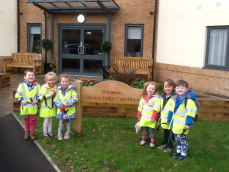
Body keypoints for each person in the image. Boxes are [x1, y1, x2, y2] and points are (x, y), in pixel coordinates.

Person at [167, 79, 197, 161]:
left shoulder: (189, 101)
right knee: (177, 139)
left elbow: (191, 114)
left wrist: (188, 124)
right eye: (178, 88)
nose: (180, 89)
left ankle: (184, 154)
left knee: (183, 140)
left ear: (187, 89)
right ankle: (178, 151)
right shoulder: (174, 99)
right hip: (175, 124)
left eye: (182, 88)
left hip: (183, 125)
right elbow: (170, 111)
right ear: (175, 89)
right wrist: (168, 119)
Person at [15, 69, 40, 140]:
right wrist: (22, 100)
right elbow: (17, 95)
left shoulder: (37, 86)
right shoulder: (21, 85)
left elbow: (40, 95)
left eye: (32, 75)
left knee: (32, 121)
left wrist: (37, 100)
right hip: (25, 108)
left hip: (33, 108)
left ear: (34, 77)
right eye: (29, 75)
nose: (31, 76)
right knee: (26, 121)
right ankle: (27, 133)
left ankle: (32, 134)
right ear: (25, 77)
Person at [54, 74, 78, 141]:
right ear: (60, 82)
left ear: (69, 82)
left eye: (66, 81)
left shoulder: (72, 91)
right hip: (61, 110)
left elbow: (75, 99)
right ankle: (59, 134)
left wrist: (68, 104)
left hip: (69, 111)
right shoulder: (58, 91)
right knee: (61, 122)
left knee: (68, 122)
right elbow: (56, 100)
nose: (65, 83)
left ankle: (67, 134)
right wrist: (60, 105)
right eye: (63, 81)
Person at [137, 81, 160, 148]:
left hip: (151, 118)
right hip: (144, 118)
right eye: (149, 88)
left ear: (155, 91)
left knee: (152, 130)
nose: (151, 90)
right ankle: (144, 139)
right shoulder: (143, 97)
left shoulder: (156, 99)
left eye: (153, 89)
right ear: (146, 88)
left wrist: (154, 116)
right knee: (145, 129)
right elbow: (140, 106)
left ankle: (152, 142)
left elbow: (156, 108)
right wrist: (139, 114)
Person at [158, 79, 175, 152]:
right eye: (165, 86)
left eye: (169, 87)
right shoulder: (162, 95)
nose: (167, 88)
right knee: (165, 131)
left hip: (172, 119)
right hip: (164, 118)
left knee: (172, 132)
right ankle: (165, 143)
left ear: (173, 87)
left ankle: (170, 145)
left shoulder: (175, 97)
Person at [39, 72, 57, 138]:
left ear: (55, 80)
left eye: (53, 80)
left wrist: (56, 94)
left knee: (50, 120)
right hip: (45, 108)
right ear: (46, 80)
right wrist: (50, 94)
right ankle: (45, 133)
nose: (51, 81)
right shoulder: (44, 87)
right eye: (49, 80)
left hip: (52, 107)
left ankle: (50, 132)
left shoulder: (56, 87)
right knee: (46, 120)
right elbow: (40, 97)